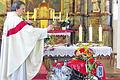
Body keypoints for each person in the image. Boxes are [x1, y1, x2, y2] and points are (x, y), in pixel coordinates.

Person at [0, 1, 52, 80]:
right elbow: (30, 32)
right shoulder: (16, 20)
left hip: (13, 51)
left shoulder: (9, 19)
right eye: (22, 9)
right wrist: (45, 30)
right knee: (18, 72)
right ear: (17, 9)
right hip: (17, 53)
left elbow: (18, 33)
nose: (24, 11)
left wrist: (24, 23)